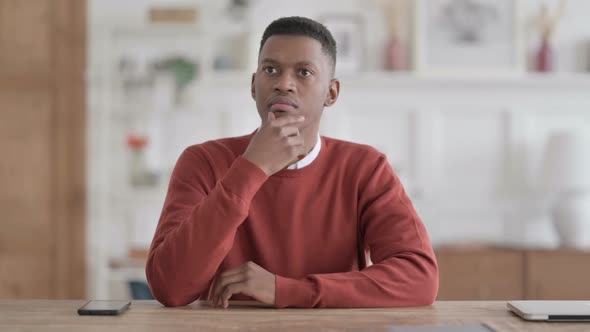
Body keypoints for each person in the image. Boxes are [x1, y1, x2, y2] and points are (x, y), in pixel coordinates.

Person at [146, 16, 438, 309]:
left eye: (304, 72)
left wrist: (287, 291)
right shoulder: (202, 162)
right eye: (270, 70)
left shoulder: (365, 168)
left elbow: (419, 278)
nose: (284, 84)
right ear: (253, 85)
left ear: (332, 93)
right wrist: (251, 169)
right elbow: (170, 287)